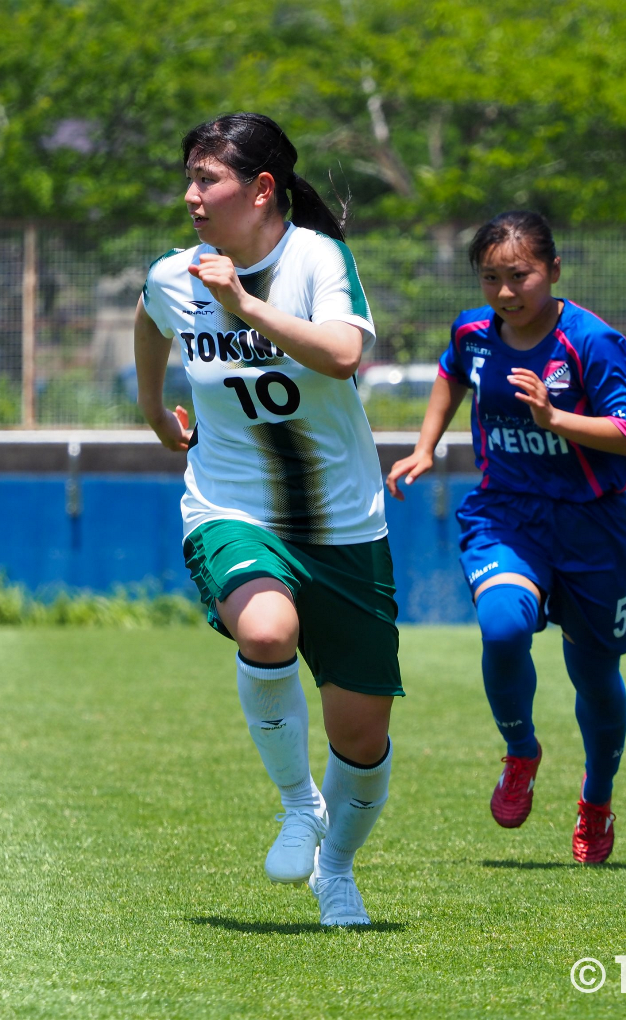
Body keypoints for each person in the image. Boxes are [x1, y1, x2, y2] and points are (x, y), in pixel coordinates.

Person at [135, 113, 400, 925]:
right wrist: (153, 408)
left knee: (360, 736)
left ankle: (339, 871)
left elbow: (344, 354)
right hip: (230, 507)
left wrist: (243, 305)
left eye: (207, 179)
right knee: (265, 631)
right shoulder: (175, 276)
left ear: (260, 190)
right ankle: (297, 804)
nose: (191, 195)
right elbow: (152, 319)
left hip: (346, 527)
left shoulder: (319, 258)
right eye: (188, 177)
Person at [386, 211, 626, 863]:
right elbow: (451, 371)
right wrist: (425, 447)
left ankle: (597, 800)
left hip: (590, 525)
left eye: (520, 276)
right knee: (502, 626)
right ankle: (521, 750)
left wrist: (554, 417)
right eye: (491, 278)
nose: (506, 292)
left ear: (553, 271)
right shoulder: (475, 333)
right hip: (505, 513)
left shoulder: (593, 341)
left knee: (594, 675)